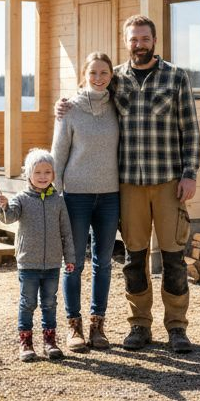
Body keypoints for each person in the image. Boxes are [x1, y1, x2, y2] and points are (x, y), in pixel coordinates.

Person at [57, 15, 200, 353]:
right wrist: (61, 106)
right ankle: (139, 326)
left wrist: (190, 173)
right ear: (126, 42)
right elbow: (88, 97)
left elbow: (190, 130)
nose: (139, 44)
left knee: (174, 258)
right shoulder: (116, 79)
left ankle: (177, 327)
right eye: (133, 39)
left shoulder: (176, 77)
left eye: (144, 38)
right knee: (134, 258)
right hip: (129, 185)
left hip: (168, 181)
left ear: (154, 40)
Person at [51, 51, 120, 352]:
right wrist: (55, 192)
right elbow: (58, 154)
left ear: (111, 76)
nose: (98, 78)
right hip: (76, 195)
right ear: (84, 74)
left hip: (110, 195)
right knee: (73, 263)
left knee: (103, 263)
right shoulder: (69, 109)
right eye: (93, 72)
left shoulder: (118, 106)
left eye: (104, 72)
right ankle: (73, 326)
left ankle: (97, 324)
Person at [0, 149, 76, 362]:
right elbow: (8, 218)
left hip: (51, 263)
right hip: (28, 263)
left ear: (53, 174)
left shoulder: (58, 200)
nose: (42, 176)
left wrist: (70, 258)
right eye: (38, 172)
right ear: (28, 175)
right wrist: (2, 206)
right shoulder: (21, 199)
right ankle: (26, 342)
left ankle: (50, 342)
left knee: (50, 303)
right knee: (28, 302)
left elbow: (66, 231)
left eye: (47, 172)